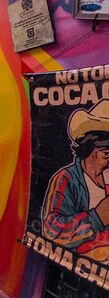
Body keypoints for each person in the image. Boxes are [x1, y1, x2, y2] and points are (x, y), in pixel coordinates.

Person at [41, 99, 109, 262]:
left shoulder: (107, 179)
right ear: (89, 145)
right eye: (105, 152)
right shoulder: (67, 178)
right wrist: (97, 217)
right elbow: (51, 229)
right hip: (79, 265)